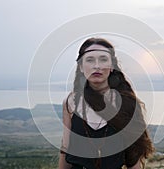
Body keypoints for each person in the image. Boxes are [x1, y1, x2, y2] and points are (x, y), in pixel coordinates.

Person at [58, 37, 154, 169]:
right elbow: (65, 149)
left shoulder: (127, 104)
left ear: (112, 66)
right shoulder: (70, 103)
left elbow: (134, 156)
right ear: (81, 66)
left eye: (103, 59)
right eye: (90, 60)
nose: (97, 66)